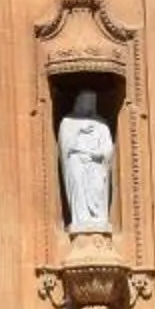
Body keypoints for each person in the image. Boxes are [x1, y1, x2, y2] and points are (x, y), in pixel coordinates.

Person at [56, 90, 116, 236]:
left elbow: (108, 148)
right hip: (76, 162)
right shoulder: (68, 122)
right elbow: (65, 146)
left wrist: (95, 155)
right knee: (78, 187)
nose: (88, 105)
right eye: (86, 101)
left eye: (91, 102)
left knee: (97, 188)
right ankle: (80, 219)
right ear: (79, 102)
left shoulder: (101, 124)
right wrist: (78, 132)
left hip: (96, 163)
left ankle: (98, 218)